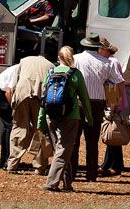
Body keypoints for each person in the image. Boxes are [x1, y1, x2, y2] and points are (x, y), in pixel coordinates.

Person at [36, 46, 92, 192]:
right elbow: (85, 99)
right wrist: (89, 118)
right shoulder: (75, 74)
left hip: (51, 116)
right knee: (63, 150)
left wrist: (40, 121)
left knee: (61, 151)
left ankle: (67, 184)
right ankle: (51, 183)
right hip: (70, 117)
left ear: (58, 57)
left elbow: (44, 99)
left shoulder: (50, 73)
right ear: (71, 58)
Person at [72, 33, 125, 181]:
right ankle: (91, 174)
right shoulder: (106, 63)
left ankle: (72, 172)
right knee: (92, 140)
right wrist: (116, 100)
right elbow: (119, 82)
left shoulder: (75, 59)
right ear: (98, 47)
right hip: (97, 103)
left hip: (77, 102)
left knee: (74, 139)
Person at [6, 54, 54, 173]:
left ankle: (12, 164)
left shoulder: (23, 60)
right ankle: (40, 166)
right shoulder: (51, 65)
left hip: (22, 93)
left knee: (19, 127)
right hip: (40, 95)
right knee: (41, 130)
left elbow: (14, 83)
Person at [98, 39, 130, 176]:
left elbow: (118, 83)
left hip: (113, 101)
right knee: (114, 132)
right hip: (114, 101)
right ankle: (116, 165)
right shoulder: (111, 61)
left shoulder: (111, 62)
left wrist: (115, 102)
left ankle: (106, 165)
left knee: (112, 132)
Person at [0, 61, 18, 169]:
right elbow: (8, 92)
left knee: (7, 126)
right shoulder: (18, 70)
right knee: (10, 125)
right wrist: (13, 107)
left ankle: (3, 160)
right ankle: (6, 160)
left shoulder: (18, 67)